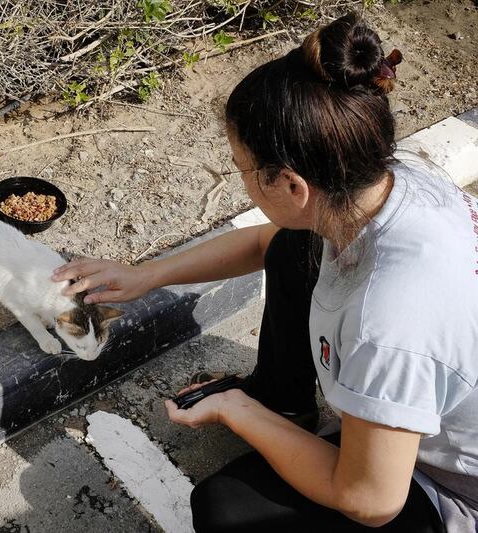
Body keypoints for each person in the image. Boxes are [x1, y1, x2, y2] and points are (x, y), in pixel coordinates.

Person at [52, 13, 477, 532]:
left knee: (224, 509)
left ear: (293, 185)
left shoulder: (386, 320)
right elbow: (263, 242)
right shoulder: (391, 181)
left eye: (244, 170)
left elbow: (368, 498)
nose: (243, 182)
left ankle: (272, 411)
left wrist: (240, 413)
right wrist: (147, 275)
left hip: (457, 490)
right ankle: (285, 404)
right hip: (434, 400)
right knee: (293, 250)